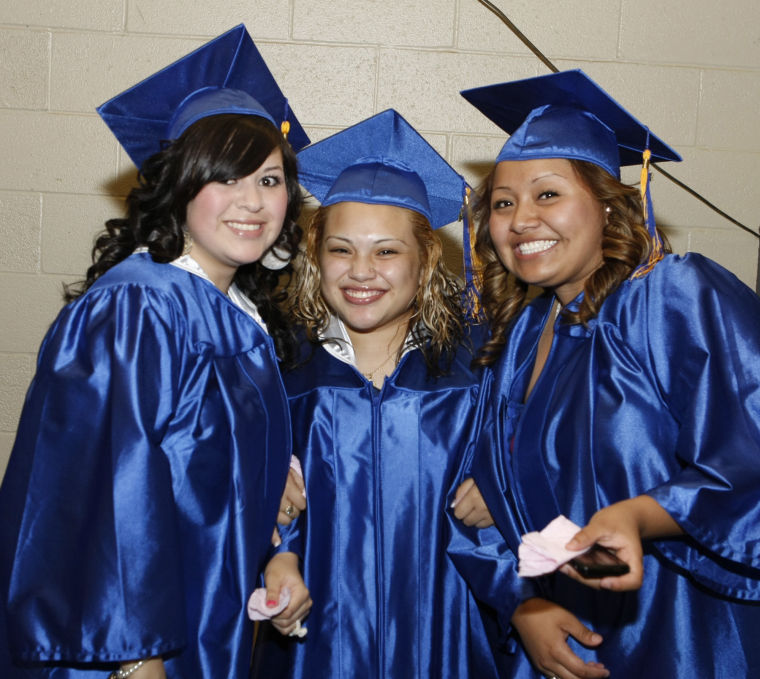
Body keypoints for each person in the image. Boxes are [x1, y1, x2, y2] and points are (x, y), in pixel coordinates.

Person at [0, 25, 312, 678]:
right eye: (223, 179)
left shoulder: (237, 314)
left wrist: (276, 538)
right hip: (131, 643)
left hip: (205, 616)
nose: (252, 202)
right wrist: (136, 654)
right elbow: (104, 491)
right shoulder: (138, 305)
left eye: (270, 178)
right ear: (179, 187)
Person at [454, 69, 760, 678]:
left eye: (548, 195)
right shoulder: (516, 336)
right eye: (503, 203)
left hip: (679, 631)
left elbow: (748, 455)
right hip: (560, 640)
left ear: (607, 204)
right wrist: (525, 604)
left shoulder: (674, 298)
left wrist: (639, 514)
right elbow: (479, 501)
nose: (519, 220)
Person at [251, 109, 509, 678]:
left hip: (450, 642)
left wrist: (510, 494)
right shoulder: (277, 370)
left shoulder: (483, 369)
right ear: (316, 260)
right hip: (314, 648)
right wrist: (270, 541)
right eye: (341, 249)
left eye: (388, 252)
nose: (360, 272)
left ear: (425, 264)